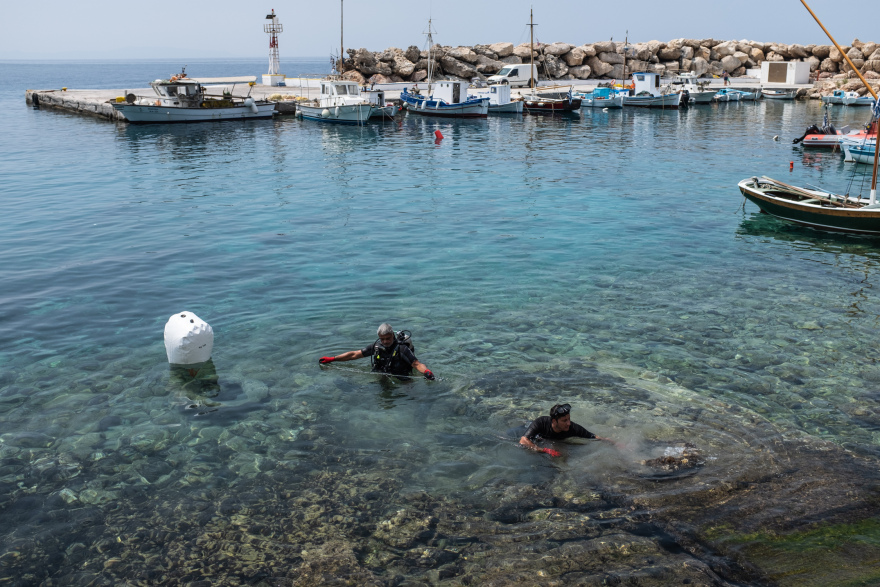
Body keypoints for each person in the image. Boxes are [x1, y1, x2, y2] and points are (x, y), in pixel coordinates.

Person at [319, 323, 435, 380]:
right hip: (383, 374)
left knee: (409, 393)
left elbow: (416, 364)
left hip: (402, 376)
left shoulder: (402, 348)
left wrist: (426, 372)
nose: (385, 341)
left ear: (393, 336)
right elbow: (354, 354)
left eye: (388, 338)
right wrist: (333, 359)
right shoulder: (376, 347)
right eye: (382, 339)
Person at [519, 403, 610, 456]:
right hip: (534, 433)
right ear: (554, 421)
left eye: (569, 419)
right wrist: (545, 450)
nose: (569, 423)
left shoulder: (573, 428)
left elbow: (593, 436)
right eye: (564, 420)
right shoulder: (541, 422)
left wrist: (612, 442)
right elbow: (523, 441)